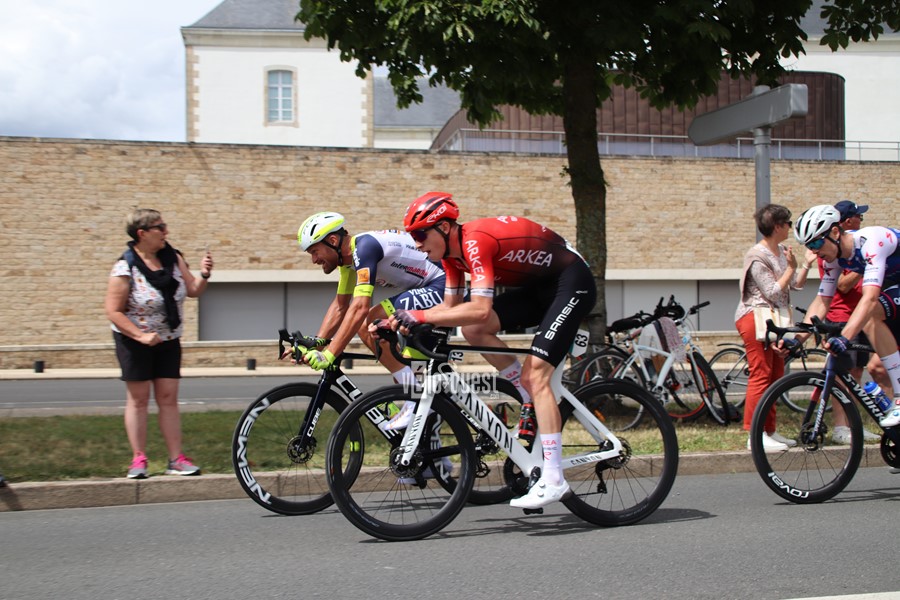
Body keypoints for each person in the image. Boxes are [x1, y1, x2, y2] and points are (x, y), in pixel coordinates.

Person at [386, 191, 597, 510]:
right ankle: (525, 393)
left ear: (444, 227)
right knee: (474, 330)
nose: (416, 244)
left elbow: (481, 308)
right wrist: (399, 320)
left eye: (420, 234)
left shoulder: (475, 242)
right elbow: (451, 308)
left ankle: (554, 479)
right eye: (412, 236)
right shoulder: (451, 257)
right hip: (540, 288)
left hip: (572, 282)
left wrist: (421, 317)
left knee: (536, 376)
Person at [294, 212, 445, 424]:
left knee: (367, 322)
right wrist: (316, 344)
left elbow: (359, 308)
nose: (314, 260)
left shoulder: (364, 248)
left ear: (333, 241)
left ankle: (415, 399)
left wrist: (329, 354)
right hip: (424, 288)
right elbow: (340, 306)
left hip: (440, 285)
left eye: (314, 251)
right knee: (405, 362)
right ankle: (426, 421)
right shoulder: (349, 263)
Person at [104, 209, 213, 479]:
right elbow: (113, 311)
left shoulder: (173, 258)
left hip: (168, 339)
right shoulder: (125, 266)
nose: (166, 232)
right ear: (142, 233)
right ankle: (138, 459)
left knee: (168, 398)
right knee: (139, 400)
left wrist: (204, 274)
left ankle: (176, 459)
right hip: (134, 341)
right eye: (160, 227)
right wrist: (140, 336)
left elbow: (193, 290)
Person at [794, 204, 900, 429]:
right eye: (808, 246)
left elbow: (869, 298)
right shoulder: (832, 259)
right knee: (878, 368)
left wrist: (845, 338)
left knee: (872, 314)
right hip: (893, 286)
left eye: (816, 243)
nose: (813, 251)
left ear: (835, 232)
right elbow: (823, 300)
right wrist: (797, 339)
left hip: (892, 287)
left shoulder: (871, 242)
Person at [735, 204, 809, 451]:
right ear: (777, 226)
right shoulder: (756, 256)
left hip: (774, 321)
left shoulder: (781, 252)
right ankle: (754, 435)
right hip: (755, 318)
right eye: (788, 223)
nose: (790, 227)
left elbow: (794, 285)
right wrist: (791, 268)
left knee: (776, 375)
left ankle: (769, 430)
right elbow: (772, 291)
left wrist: (804, 265)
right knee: (761, 374)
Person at [812, 201, 882, 443]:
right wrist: (866, 265)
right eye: (858, 217)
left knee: (856, 373)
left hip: (861, 315)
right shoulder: (831, 251)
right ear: (847, 221)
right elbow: (841, 285)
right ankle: (841, 427)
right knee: (840, 375)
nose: (861, 221)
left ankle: (854, 425)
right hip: (842, 318)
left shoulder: (855, 245)